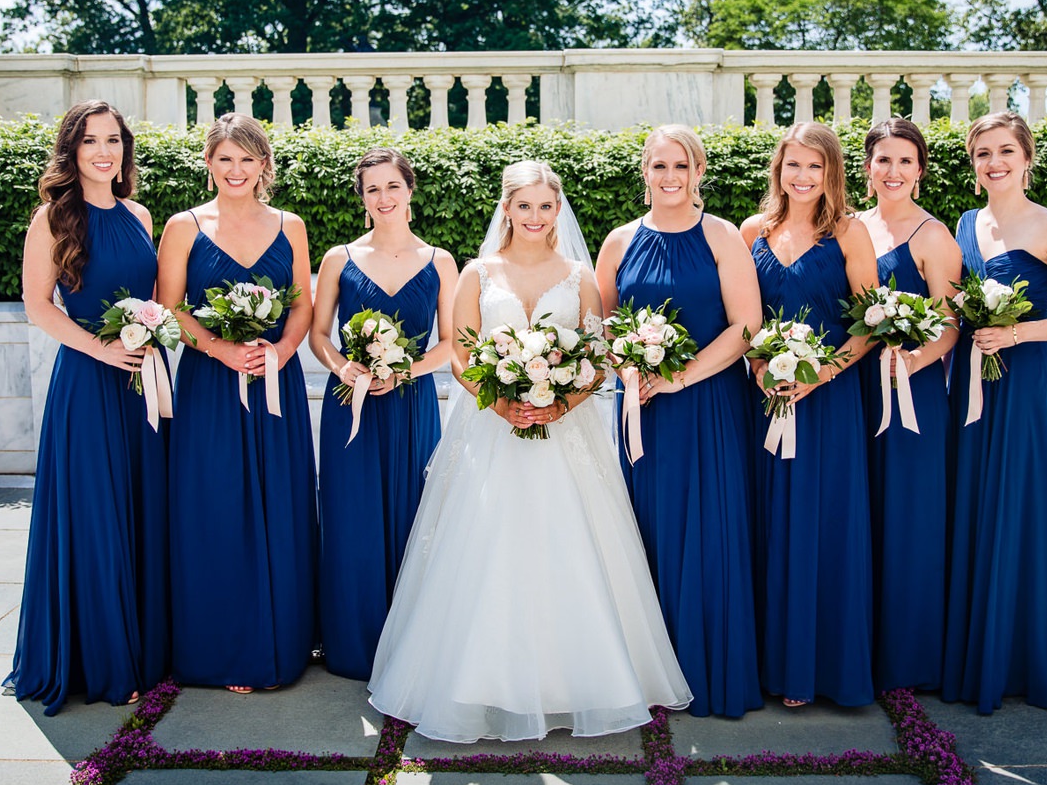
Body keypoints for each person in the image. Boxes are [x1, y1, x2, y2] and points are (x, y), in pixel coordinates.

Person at [367, 159, 692, 742]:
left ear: (558, 209)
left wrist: (559, 405)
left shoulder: (579, 275)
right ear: (507, 209)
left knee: (572, 545)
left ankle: (578, 682)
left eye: (546, 206)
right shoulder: (478, 271)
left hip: (566, 431)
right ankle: (478, 683)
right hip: (492, 429)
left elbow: (598, 356)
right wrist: (502, 405)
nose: (536, 217)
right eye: (525, 206)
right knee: (487, 548)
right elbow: (464, 357)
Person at [4, 100, 169, 715]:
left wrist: (149, 337)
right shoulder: (52, 217)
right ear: (71, 151)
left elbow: (151, 297)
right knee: (96, 513)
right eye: (91, 141)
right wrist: (102, 349)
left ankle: (145, 651)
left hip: (143, 380)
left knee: (142, 507)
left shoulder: (138, 214)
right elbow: (38, 305)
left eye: (114, 141)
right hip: (87, 380)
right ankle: (101, 660)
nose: (104, 152)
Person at [595, 125, 763, 719]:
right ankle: (646, 673)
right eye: (659, 166)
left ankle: (707, 668)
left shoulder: (721, 236)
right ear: (645, 172)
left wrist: (681, 376)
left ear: (699, 172)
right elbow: (604, 325)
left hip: (709, 405)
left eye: (682, 166)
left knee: (708, 532)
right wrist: (628, 367)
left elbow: (746, 326)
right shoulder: (618, 241)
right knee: (644, 531)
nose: (670, 177)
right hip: (641, 409)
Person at [943, 111, 1047, 714]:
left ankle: (1030, 660)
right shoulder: (966, 223)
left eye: (1006, 150)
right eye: (983, 153)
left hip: (1025, 382)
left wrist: (1018, 334)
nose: (995, 162)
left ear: (1027, 157)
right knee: (977, 510)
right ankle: (976, 655)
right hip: (970, 383)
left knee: (1025, 513)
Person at [157, 113, 318, 695]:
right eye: (225, 158)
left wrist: (280, 350)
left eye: (247, 158)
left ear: (263, 165)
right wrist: (223, 351)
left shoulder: (290, 225)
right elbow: (169, 309)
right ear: (208, 163)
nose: (236, 170)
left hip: (277, 384)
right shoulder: (182, 226)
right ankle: (216, 649)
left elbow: (302, 304)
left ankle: (283, 640)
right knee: (214, 507)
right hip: (210, 387)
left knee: (282, 503)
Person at [738, 121, 879, 708]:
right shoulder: (753, 231)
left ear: (832, 173)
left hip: (829, 401)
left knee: (825, 525)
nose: (802, 177)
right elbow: (742, 319)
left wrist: (819, 374)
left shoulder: (850, 233)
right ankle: (775, 667)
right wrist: (761, 368)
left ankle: (822, 669)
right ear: (779, 169)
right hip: (767, 397)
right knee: (770, 522)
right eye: (793, 165)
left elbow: (871, 324)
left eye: (815, 167)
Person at [309, 149, 458, 680]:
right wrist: (345, 368)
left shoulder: (440, 261)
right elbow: (318, 335)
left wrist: (407, 371)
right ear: (362, 198)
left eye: (392, 186)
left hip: (410, 403)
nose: (383, 198)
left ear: (410, 191)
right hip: (351, 404)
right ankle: (352, 644)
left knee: (412, 514)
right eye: (372, 189)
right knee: (352, 521)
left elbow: (454, 344)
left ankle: (411, 644)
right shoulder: (337, 258)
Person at [855, 118, 961, 694]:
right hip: (855, 393)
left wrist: (911, 363)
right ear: (867, 167)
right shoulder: (850, 228)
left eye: (905, 161)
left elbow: (948, 327)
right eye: (883, 160)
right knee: (862, 518)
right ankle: (860, 645)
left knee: (908, 521)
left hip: (911, 398)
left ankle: (910, 658)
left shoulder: (933, 237)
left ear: (920, 170)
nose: (893, 172)